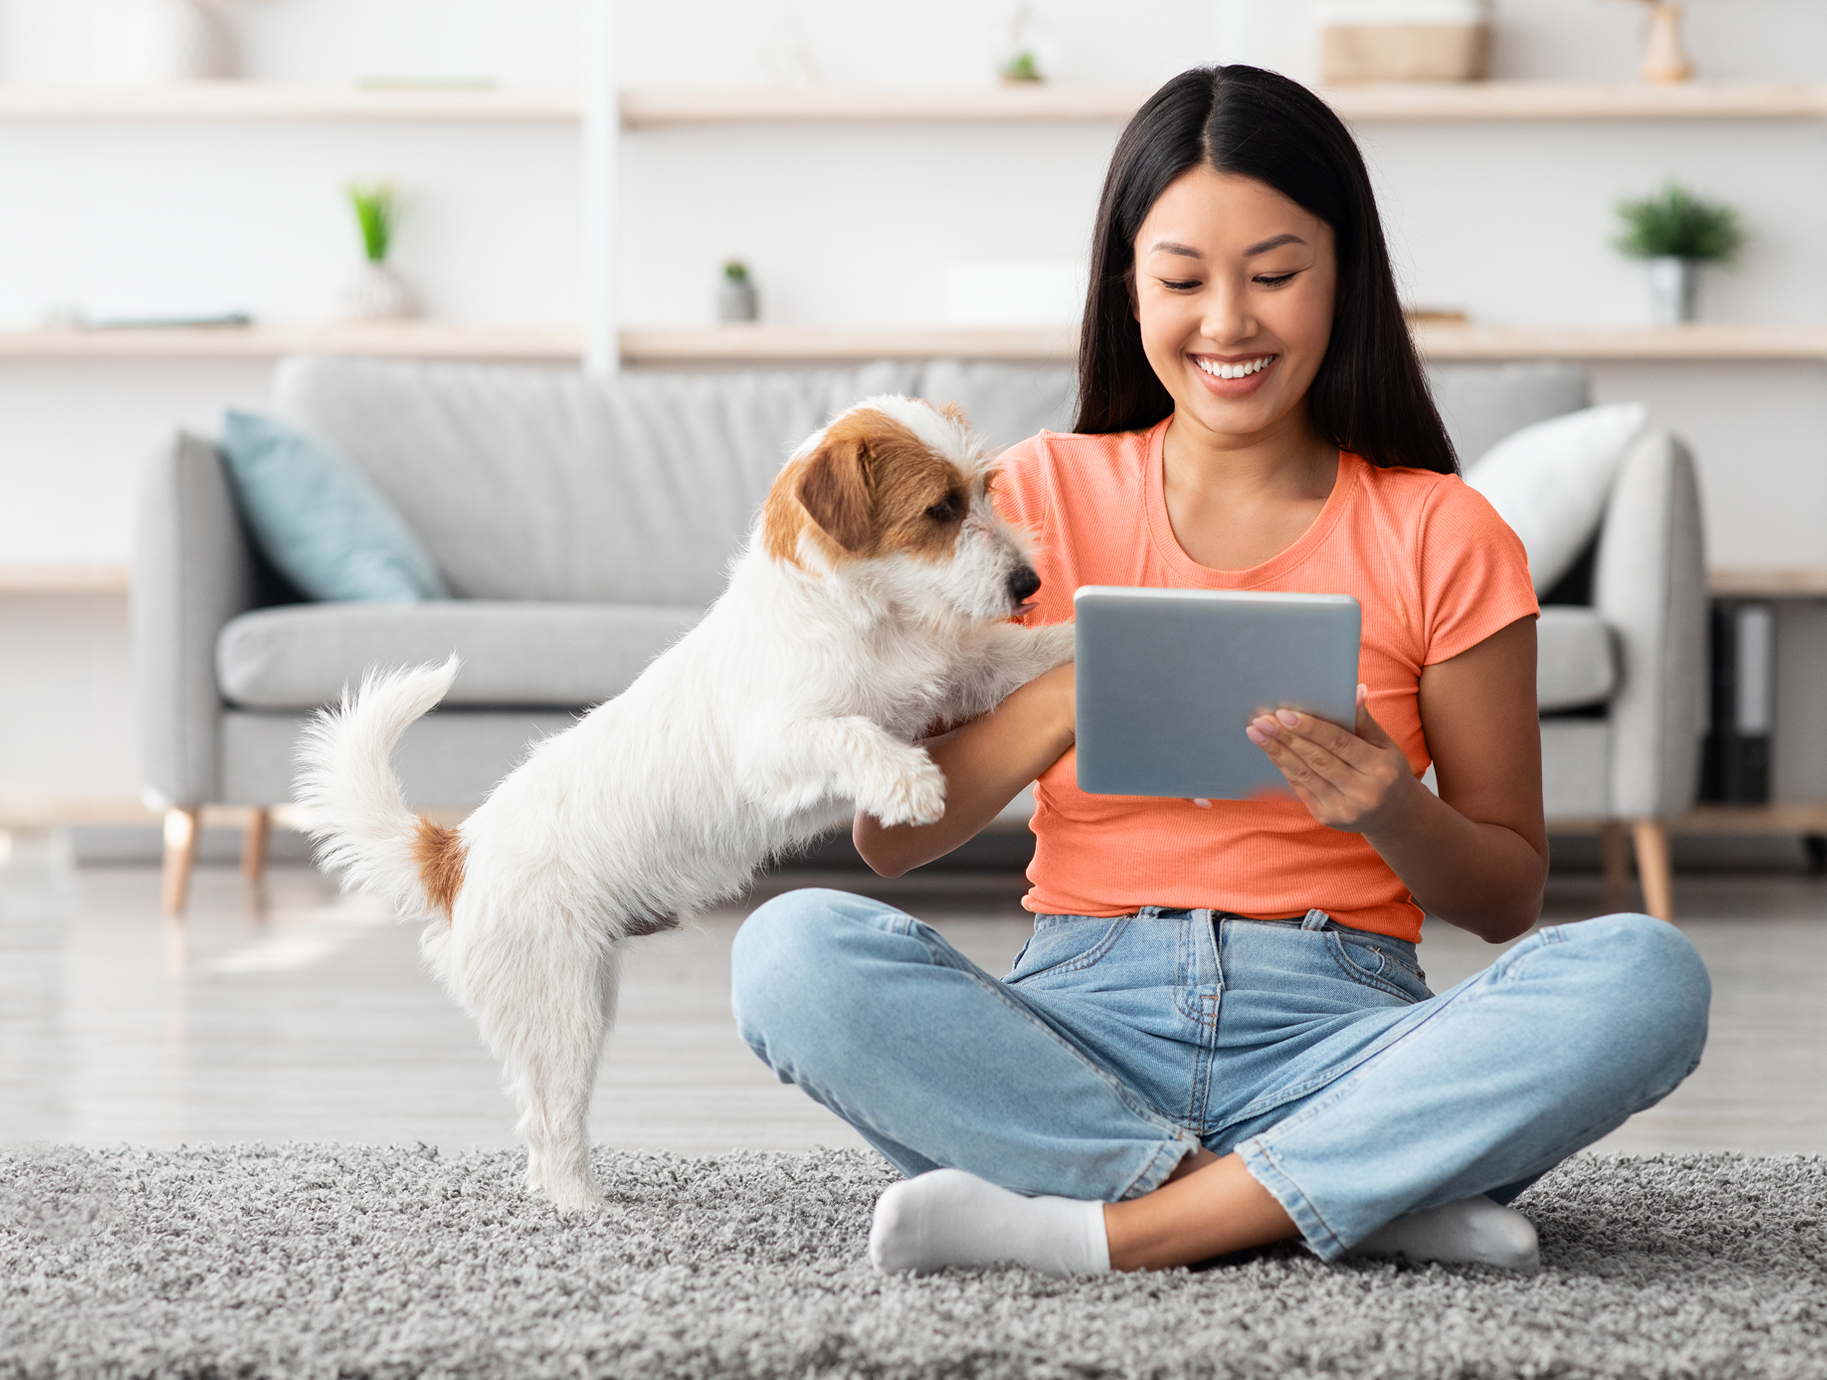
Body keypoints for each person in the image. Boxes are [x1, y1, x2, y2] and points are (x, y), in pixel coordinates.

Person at [728, 65, 1710, 1275]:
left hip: (1344, 1028)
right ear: (1128, 287)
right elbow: (891, 838)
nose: (1228, 322)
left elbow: (1507, 898)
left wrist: (1389, 805)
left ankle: (1122, 1225)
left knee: (1646, 975)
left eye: (1277, 274)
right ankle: (1347, 1194)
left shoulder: (1444, 530)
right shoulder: (1021, 504)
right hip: (1081, 1015)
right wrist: (1063, 703)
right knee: (791, 952)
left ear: (1344, 277)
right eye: (1184, 279)